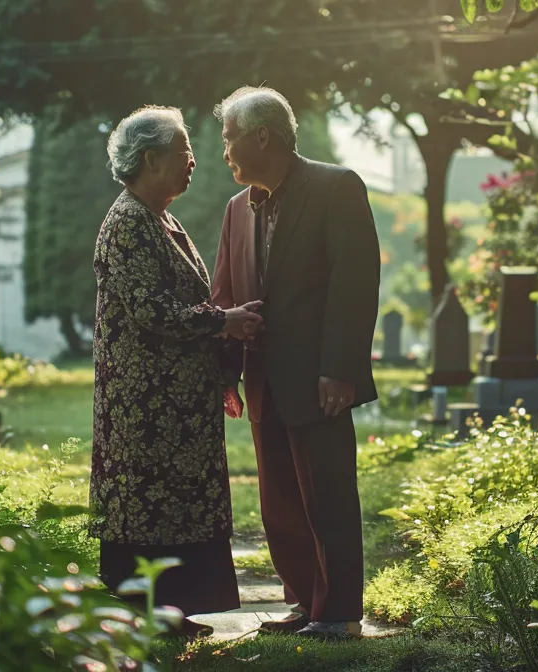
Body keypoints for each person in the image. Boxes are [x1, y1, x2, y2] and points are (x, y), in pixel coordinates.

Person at [209, 86, 380, 639]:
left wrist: (342, 369)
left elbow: (355, 285)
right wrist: (225, 373)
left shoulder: (336, 187)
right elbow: (225, 294)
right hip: (261, 382)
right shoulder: (237, 209)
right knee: (280, 505)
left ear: (264, 136)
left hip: (319, 378)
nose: (225, 151)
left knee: (328, 495)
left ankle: (339, 615)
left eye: (230, 137)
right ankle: (306, 602)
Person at [89, 105, 262, 639]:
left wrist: (217, 374)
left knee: (178, 504)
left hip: (175, 400)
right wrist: (225, 322)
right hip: (144, 404)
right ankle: (146, 617)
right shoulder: (127, 222)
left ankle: (174, 612)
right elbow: (151, 309)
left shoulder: (160, 216)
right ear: (149, 159)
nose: (193, 160)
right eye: (183, 151)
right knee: (147, 506)